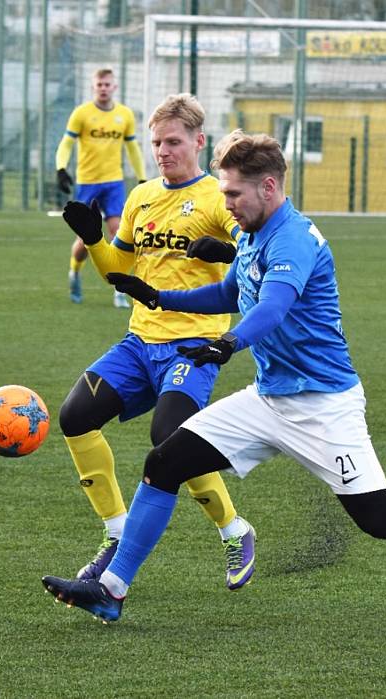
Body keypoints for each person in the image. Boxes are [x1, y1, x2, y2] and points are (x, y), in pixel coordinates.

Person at [43, 129, 386, 642]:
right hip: (268, 398)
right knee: (164, 462)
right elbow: (229, 291)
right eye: (223, 193)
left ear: (268, 187)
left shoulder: (294, 238)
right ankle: (112, 589)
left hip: (324, 406)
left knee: (379, 518)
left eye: (234, 194)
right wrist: (157, 296)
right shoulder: (251, 234)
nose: (226, 204)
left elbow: (272, 306)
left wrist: (230, 344)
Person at [44, 94, 255, 591]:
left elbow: (254, 253)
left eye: (173, 141)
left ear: (199, 142)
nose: (162, 150)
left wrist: (225, 247)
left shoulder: (216, 197)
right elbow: (119, 274)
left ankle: (234, 529)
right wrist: (95, 240)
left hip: (193, 345)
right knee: (75, 416)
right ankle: (116, 530)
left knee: (170, 438)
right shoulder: (140, 197)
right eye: (157, 142)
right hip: (140, 343)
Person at [55, 67, 147, 307]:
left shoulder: (125, 115)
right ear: (93, 87)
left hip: (114, 182)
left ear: (114, 87)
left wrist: (142, 177)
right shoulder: (81, 114)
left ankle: (120, 289)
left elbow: (133, 148)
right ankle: (74, 272)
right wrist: (61, 168)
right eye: (100, 85)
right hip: (87, 183)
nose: (103, 88)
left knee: (119, 233)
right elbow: (66, 143)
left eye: (107, 84)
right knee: (85, 240)